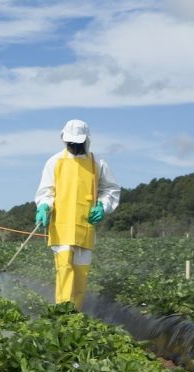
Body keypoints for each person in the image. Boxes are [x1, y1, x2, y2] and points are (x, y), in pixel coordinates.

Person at [34, 119, 120, 309]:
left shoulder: (97, 163)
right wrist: (44, 207)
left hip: (85, 227)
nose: (74, 146)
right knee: (64, 270)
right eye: (71, 143)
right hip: (61, 227)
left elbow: (111, 189)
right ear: (65, 140)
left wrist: (102, 207)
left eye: (77, 143)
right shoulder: (55, 162)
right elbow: (46, 191)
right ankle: (62, 315)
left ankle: (76, 315)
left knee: (81, 275)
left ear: (86, 141)